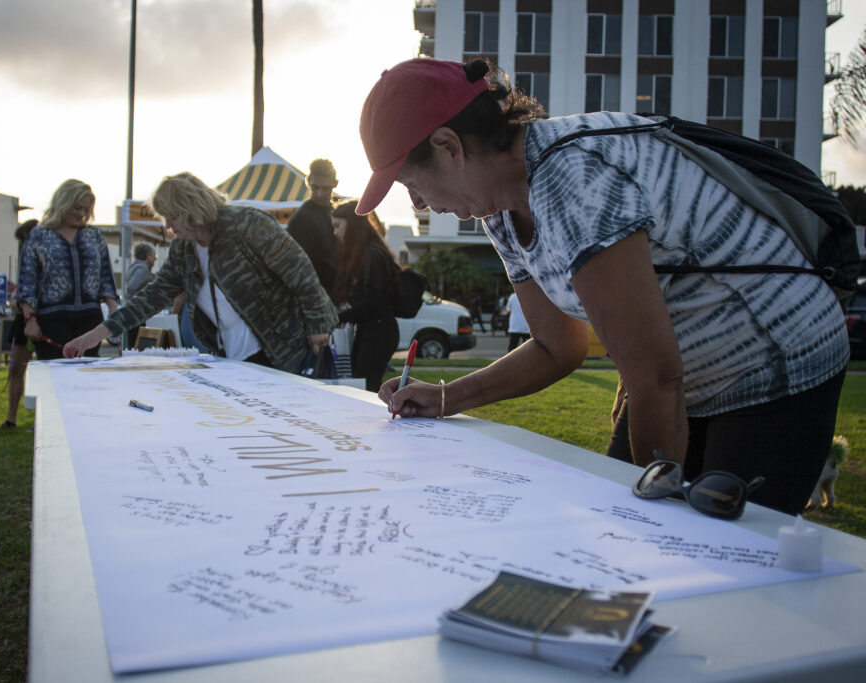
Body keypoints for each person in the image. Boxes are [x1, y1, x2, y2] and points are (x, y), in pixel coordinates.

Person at [360, 58, 848, 515]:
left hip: (775, 360)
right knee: (630, 517)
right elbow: (557, 346)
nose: (419, 204)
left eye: (410, 184)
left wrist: (649, 511)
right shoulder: (501, 210)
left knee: (718, 553)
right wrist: (446, 397)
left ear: (450, 146)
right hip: (679, 378)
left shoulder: (572, 175)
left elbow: (657, 376)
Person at [63, 172, 338, 374]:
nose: (168, 226)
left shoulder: (247, 224)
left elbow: (301, 273)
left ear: (190, 208)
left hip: (286, 351)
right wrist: (95, 335)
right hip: (233, 356)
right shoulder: (183, 249)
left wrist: (316, 326)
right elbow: (152, 296)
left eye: (171, 216)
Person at [17, 179, 119, 360]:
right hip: (51, 321)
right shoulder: (39, 235)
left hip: (90, 321)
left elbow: (106, 276)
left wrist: (113, 309)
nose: (81, 214)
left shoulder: (94, 235)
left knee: (88, 379)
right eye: (77, 208)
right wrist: (30, 319)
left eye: (86, 210)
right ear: (63, 204)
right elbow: (27, 281)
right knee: (54, 380)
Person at [331, 200, 400, 392]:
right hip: (372, 330)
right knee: (363, 384)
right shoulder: (366, 254)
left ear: (351, 225)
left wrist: (339, 317)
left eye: (337, 226)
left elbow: (372, 303)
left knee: (366, 387)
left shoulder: (372, 255)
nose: (335, 232)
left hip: (378, 332)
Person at [0, 219, 39, 429]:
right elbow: (22, 284)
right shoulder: (25, 256)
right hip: (22, 318)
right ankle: (11, 418)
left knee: (45, 369)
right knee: (15, 369)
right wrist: (16, 299)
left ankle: (40, 419)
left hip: (44, 317)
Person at [287, 158, 339, 292]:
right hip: (316, 294)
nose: (319, 194)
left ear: (335, 184)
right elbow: (301, 268)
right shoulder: (302, 218)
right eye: (315, 187)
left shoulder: (336, 213)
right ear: (308, 182)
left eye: (325, 188)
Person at [124, 242, 158, 349]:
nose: (155, 259)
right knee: (138, 343)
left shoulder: (133, 267)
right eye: (154, 255)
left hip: (131, 312)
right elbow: (131, 288)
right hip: (137, 312)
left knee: (132, 343)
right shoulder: (143, 269)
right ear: (147, 256)